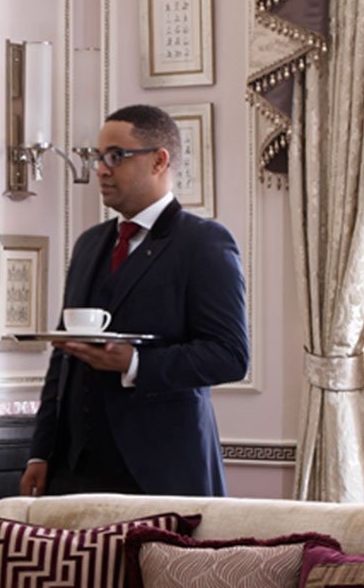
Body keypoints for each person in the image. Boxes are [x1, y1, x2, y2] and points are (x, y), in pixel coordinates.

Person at [18, 104, 249, 498]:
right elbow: (63, 358)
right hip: (73, 474)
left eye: (116, 156)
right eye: (96, 157)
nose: (101, 170)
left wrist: (136, 363)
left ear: (159, 161)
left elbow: (229, 355)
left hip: (163, 473)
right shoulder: (90, 244)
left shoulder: (203, 243)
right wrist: (40, 454)